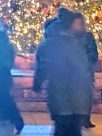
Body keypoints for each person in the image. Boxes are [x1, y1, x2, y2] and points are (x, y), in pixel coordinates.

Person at [33, 8, 93, 136]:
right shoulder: (75, 43)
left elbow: (42, 66)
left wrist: (37, 84)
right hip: (77, 96)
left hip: (60, 95)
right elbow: (83, 70)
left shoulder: (49, 44)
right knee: (72, 130)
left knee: (62, 129)